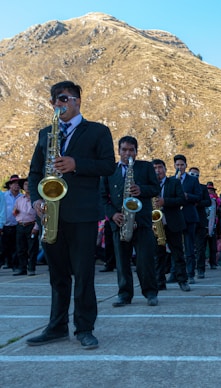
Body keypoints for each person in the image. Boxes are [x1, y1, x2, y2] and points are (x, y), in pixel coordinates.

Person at [26, 80, 116, 350]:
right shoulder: (45, 134)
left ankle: (85, 328)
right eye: (55, 100)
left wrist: (77, 164)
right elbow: (34, 174)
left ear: (77, 100)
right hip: (52, 214)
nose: (58, 104)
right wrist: (36, 199)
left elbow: (108, 166)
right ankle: (56, 327)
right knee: (58, 275)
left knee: (84, 274)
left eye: (64, 98)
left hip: (83, 214)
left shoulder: (98, 131)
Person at [102, 136, 159, 308]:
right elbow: (102, 197)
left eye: (131, 150)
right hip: (119, 222)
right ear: (118, 151)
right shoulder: (109, 170)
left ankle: (150, 293)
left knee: (145, 261)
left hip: (141, 222)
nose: (127, 153)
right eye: (124, 150)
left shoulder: (145, 167)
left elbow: (155, 188)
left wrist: (141, 190)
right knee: (122, 262)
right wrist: (113, 215)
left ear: (136, 151)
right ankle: (124, 294)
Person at [152, 159, 191, 292]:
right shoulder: (150, 185)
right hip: (157, 223)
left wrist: (164, 201)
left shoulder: (174, 182)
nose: (158, 171)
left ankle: (182, 281)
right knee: (158, 254)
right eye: (155, 168)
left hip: (172, 222)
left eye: (160, 168)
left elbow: (181, 200)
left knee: (178, 253)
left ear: (165, 169)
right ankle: (160, 282)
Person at [173, 154, 203, 283]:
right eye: (177, 165)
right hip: (175, 216)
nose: (179, 167)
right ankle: (175, 273)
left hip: (189, 216)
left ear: (186, 165)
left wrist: (187, 196)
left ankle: (190, 274)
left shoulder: (192, 180)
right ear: (174, 166)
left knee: (189, 246)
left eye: (182, 165)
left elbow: (198, 196)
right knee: (174, 246)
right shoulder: (171, 180)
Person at [12, 178, 40, 276]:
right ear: (22, 187)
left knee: (32, 248)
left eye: (29, 184)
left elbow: (39, 215)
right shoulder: (19, 199)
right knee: (20, 248)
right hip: (20, 225)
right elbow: (15, 212)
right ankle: (22, 268)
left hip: (31, 225)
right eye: (25, 185)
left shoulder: (36, 199)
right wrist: (16, 214)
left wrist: (36, 227)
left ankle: (31, 268)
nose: (27, 187)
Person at [1, 175, 23, 271]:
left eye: (18, 184)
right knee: (3, 247)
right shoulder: (4, 196)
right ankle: (6, 262)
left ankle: (15, 265)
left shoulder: (22, 197)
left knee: (16, 247)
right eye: (14, 184)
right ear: (9, 185)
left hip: (17, 225)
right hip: (5, 225)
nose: (16, 186)